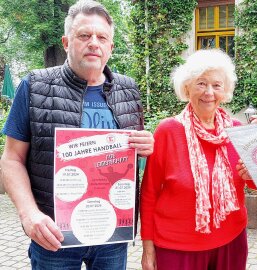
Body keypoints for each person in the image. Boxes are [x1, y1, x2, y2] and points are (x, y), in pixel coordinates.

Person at [0, 0, 154, 269]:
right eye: (84, 35)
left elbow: (133, 155)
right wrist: (29, 215)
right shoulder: (35, 85)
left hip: (111, 235)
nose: (93, 42)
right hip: (54, 237)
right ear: (66, 42)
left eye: (102, 37)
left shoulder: (129, 90)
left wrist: (146, 144)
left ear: (110, 47)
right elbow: (11, 159)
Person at [140, 49, 257, 270]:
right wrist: (147, 249)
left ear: (226, 90)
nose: (209, 92)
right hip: (178, 247)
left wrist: (255, 172)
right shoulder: (168, 130)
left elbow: (252, 182)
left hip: (231, 241)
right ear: (187, 87)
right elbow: (149, 193)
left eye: (216, 85)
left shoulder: (238, 131)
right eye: (201, 83)